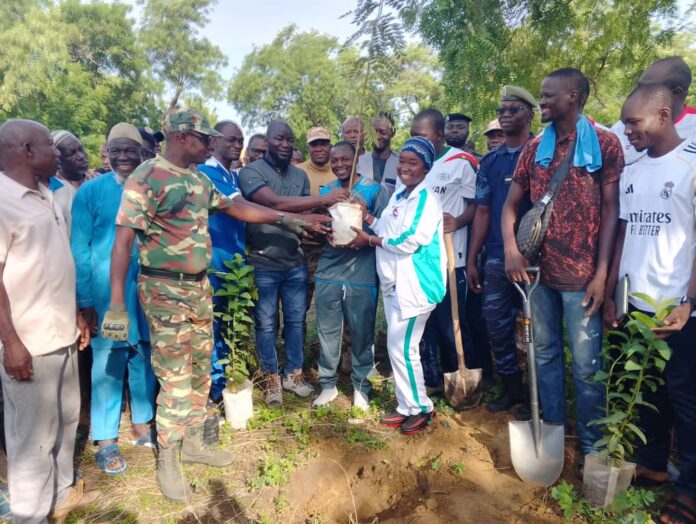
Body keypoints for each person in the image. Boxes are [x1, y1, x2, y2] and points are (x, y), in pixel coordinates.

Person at [104, 109, 327, 502]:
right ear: (181, 137)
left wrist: (288, 220)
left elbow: (236, 208)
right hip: (164, 291)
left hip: (199, 288)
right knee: (174, 377)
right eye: (202, 138)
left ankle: (193, 444)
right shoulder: (147, 177)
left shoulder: (197, 179)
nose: (209, 144)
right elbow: (122, 244)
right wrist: (117, 304)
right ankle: (168, 458)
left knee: (199, 369)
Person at [502, 68, 624, 463]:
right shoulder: (534, 148)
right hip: (538, 275)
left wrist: (602, 275)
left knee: (587, 367)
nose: (541, 102)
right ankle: (553, 434)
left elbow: (612, 211)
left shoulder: (605, 143)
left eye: (548, 95)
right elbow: (510, 206)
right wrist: (511, 250)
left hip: (583, 278)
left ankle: (593, 448)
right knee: (544, 355)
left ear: (574, 96)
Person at [605, 83, 696, 524]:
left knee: (686, 400)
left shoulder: (690, 166)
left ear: (663, 115)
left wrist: (690, 302)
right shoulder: (635, 170)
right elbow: (623, 234)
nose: (627, 132)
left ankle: (691, 492)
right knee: (647, 390)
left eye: (633, 123)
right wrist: (611, 293)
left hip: (677, 309)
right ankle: (655, 464)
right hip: (635, 303)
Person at [0, 119, 98, 521]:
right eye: (49, 146)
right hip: (29, 343)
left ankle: (60, 495)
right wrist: (11, 343)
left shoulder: (47, 195)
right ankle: (30, 515)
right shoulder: (3, 202)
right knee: (31, 441)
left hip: (62, 334)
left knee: (66, 420)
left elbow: (57, 263)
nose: (56, 153)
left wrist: (75, 313)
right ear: (26, 150)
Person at [239, 120, 348, 408]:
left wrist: (315, 225)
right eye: (279, 139)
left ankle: (294, 373)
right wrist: (323, 198)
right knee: (265, 323)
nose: (286, 144)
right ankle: (270, 376)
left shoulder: (299, 176)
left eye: (290, 140)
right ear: (268, 142)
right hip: (262, 260)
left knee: (296, 321)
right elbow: (274, 203)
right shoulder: (251, 172)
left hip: (294, 260)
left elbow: (300, 216)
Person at [71, 123, 157, 475]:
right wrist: (84, 300)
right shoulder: (91, 192)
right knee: (108, 359)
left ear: (142, 154)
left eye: (130, 150)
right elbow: (79, 248)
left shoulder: (152, 187)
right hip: (107, 292)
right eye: (116, 150)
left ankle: (141, 423)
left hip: (147, 288)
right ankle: (106, 438)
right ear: (106, 154)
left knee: (143, 355)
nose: (123, 157)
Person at [349, 137, 446, 434]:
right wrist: (366, 216)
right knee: (399, 348)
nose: (404, 167)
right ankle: (407, 406)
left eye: (412, 163)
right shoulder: (400, 196)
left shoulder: (427, 199)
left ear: (426, 168)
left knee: (403, 348)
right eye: (402, 161)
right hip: (395, 284)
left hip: (416, 285)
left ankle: (421, 408)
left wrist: (369, 240)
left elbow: (409, 241)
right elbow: (386, 227)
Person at [467, 86, 536, 414]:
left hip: (535, 260)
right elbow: (482, 211)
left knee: (534, 330)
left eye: (513, 110)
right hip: (495, 257)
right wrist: (472, 260)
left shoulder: (542, 154)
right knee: (496, 325)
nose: (505, 115)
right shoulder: (490, 162)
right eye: (502, 111)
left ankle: (537, 395)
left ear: (530, 114)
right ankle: (512, 390)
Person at [312, 141, 388, 410]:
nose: (340, 164)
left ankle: (361, 387)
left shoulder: (375, 190)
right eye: (335, 160)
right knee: (327, 330)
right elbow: (320, 223)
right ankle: (328, 385)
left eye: (345, 159)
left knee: (362, 330)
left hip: (361, 271)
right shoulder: (327, 191)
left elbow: (385, 229)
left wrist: (365, 233)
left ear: (356, 157)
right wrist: (325, 234)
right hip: (329, 269)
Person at [409, 108, 481, 395]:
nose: (415, 140)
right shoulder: (415, 164)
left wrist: (458, 221)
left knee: (453, 323)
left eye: (422, 135)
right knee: (426, 324)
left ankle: (461, 378)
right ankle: (432, 379)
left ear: (439, 135)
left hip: (452, 257)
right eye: (412, 135)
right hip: (421, 258)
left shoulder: (462, 162)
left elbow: (478, 205)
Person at [197, 120, 247, 404]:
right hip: (215, 260)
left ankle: (228, 376)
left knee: (231, 321)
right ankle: (215, 385)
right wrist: (289, 218)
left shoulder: (233, 175)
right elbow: (241, 207)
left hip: (235, 261)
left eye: (240, 140)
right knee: (213, 322)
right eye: (231, 140)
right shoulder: (206, 172)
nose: (238, 145)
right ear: (214, 141)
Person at [611, 57, 695, 166]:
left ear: (676, 93)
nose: (639, 93)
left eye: (649, 89)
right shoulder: (620, 129)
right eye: (639, 87)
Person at [298, 127, 335, 308]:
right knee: (300, 303)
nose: (319, 148)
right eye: (314, 144)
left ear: (330, 146)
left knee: (329, 302)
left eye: (323, 143)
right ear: (308, 147)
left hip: (332, 246)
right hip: (303, 246)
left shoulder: (340, 169)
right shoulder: (298, 171)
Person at [357, 113, 399, 198]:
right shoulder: (358, 162)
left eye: (383, 132)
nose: (377, 136)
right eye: (373, 132)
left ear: (393, 132)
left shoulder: (401, 163)